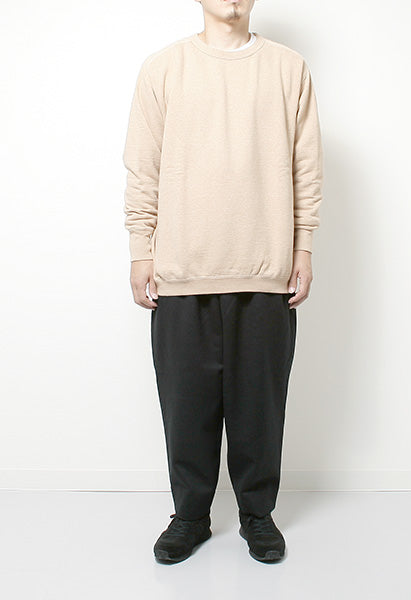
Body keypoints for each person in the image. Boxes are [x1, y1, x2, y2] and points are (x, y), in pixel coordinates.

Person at [122, 0, 323, 564]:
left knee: (261, 407)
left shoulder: (288, 68)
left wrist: (303, 245)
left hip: (265, 266)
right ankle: (190, 516)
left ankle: (258, 514)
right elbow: (143, 166)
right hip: (182, 268)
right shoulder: (163, 68)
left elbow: (306, 165)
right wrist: (141, 249)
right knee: (186, 407)